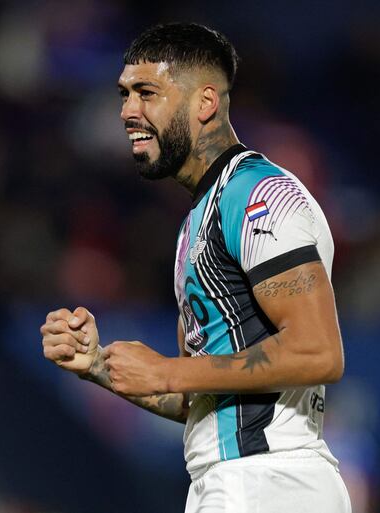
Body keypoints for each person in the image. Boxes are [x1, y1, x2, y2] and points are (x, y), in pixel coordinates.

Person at [40, 22, 351, 513]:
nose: (127, 111)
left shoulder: (258, 196)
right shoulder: (198, 221)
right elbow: (199, 399)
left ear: (204, 102)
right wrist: (100, 365)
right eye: (124, 94)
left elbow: (319, 351)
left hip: (271, 482)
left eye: (147, 93)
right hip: (236, 482)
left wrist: (167, 371)